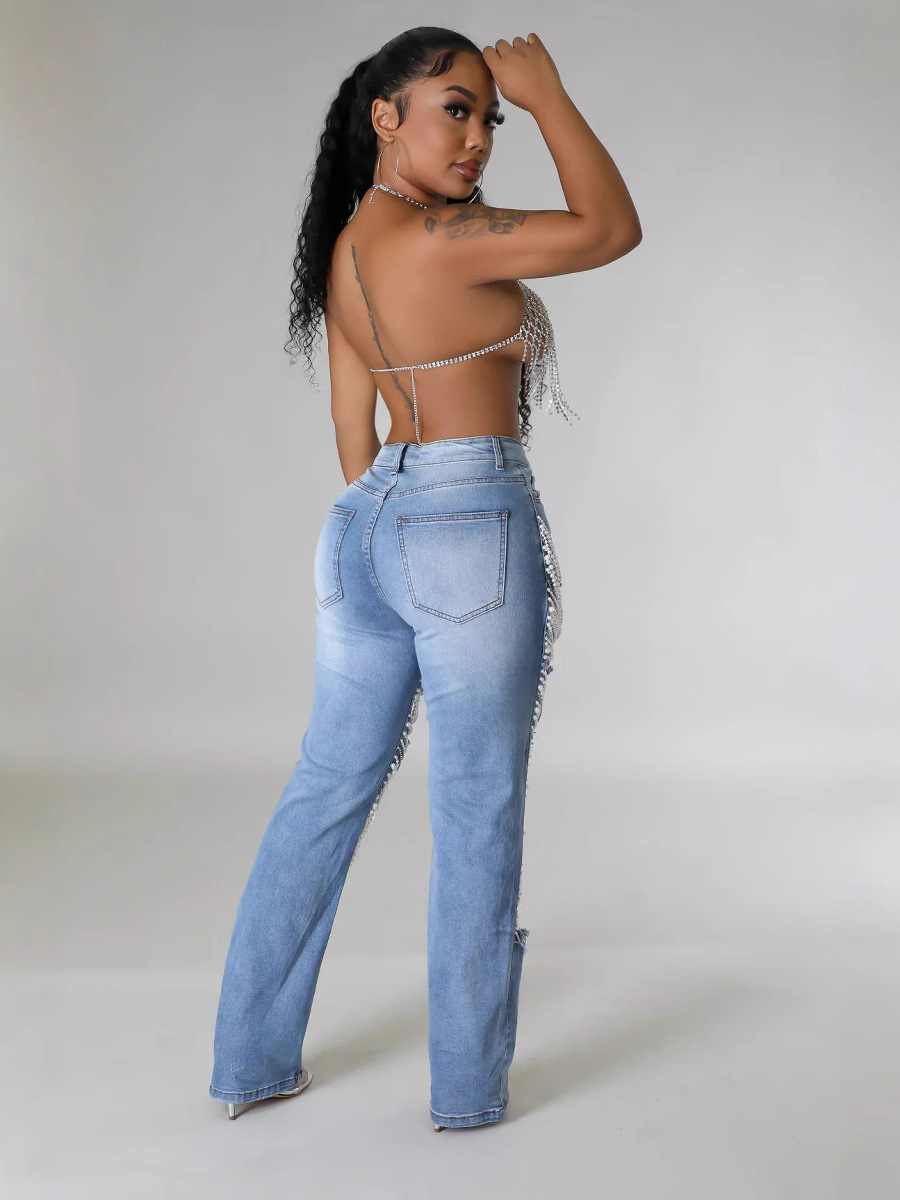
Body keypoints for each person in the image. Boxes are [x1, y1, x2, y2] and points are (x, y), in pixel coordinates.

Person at [208, 26, 641, 1131]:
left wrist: (394, 529)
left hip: (365, 530)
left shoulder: (351, 249)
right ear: (385, 116)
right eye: (459, 107)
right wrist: (549, 95)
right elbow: (610, 228)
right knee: (477, 804)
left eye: (493, 115)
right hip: (466, 515)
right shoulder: (446, 240)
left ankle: (250, 1060)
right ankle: (467, 1093)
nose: (481, 134)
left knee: (324, 791)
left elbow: (352, 429)